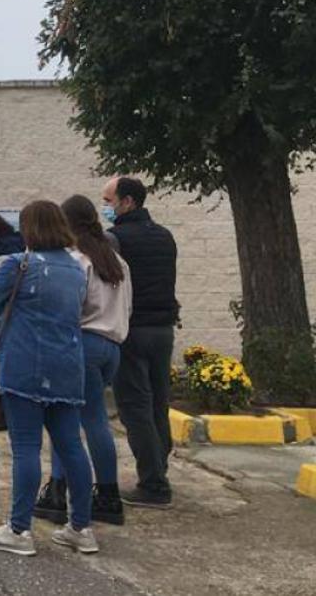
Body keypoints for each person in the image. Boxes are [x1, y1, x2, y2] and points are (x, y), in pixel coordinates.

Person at [0, 200, 96, 557]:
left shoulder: (19, 264)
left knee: (26, 448)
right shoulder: (77, 268)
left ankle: (19, 529)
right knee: (71, 446)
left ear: (28, 228)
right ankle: (81, 528)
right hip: (68, 365)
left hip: (26, 364)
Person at [34, 194, 133, 527]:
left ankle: (59, 491)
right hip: (112, 347)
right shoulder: (117, 262)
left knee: (68, 422)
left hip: (82, 344)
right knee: (94, 420)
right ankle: (106, 492)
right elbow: (127, 308)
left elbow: (68, 308)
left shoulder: (75, 261)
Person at [103, 176, 179, 508]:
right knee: (158, 402)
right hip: (163, 329)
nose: (106, 207)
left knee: (135, 407)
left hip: (132, 330)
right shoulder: (165, 236)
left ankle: (153, 485)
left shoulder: (115, 239)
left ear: (128, 202)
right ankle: (158, 470)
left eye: (109, 201)